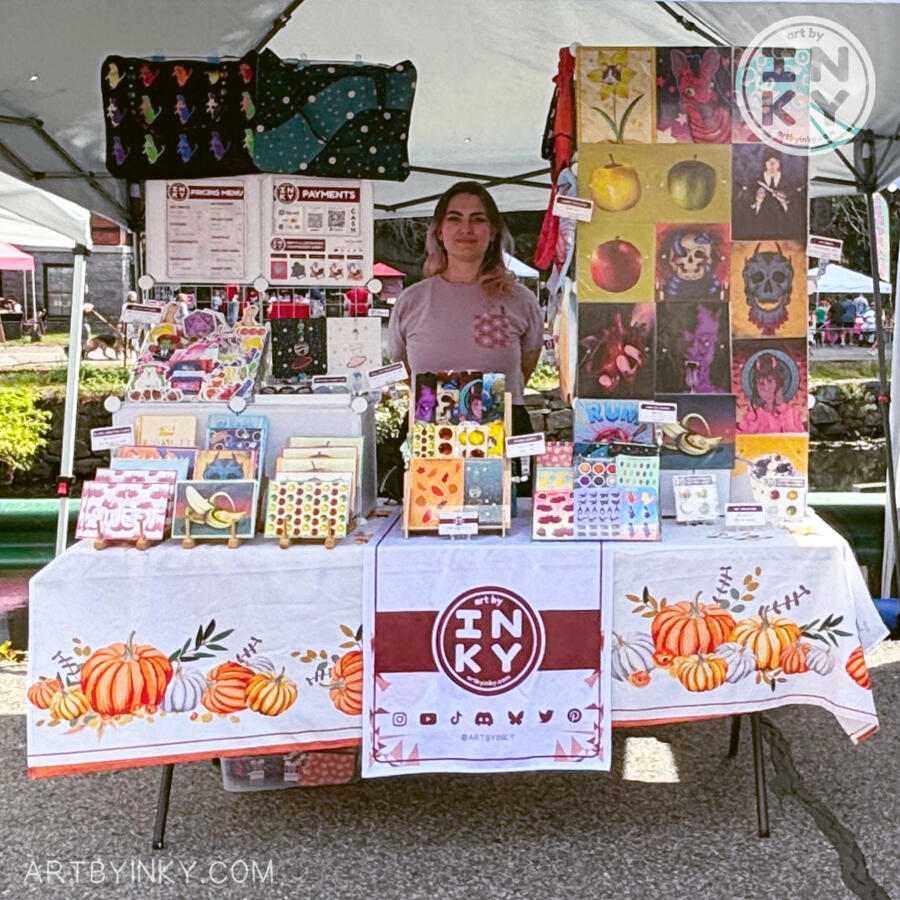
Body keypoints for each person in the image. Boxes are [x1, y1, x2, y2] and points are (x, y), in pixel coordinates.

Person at [388, 181, 544, 484]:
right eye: (455, 218)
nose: (466, 229)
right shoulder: (411, 300)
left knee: (509, 527)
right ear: (438, 230)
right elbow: (405, 369)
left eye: (478, 219)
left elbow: (525, 366)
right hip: (431, 437)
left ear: (494, 230)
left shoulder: (520, 300)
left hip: (505, 435)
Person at [738, 351, 805, 433]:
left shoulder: (792, 414)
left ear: (779, 383)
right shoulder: (751, 417)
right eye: (761, 384)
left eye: (770, 381)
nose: (766, 389)